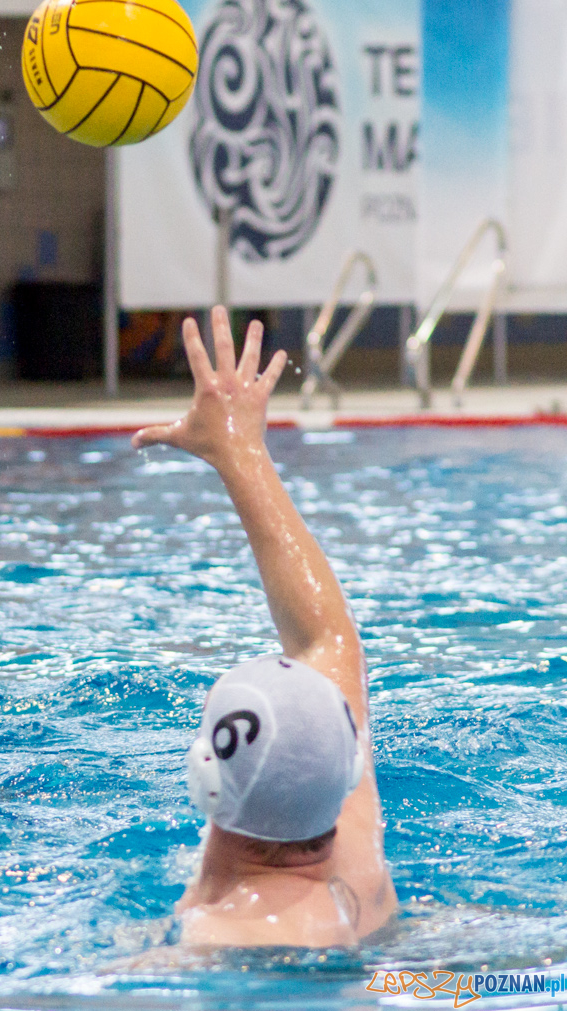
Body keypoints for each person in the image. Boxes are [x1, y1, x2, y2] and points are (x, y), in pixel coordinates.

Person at [132, 306, 397, 946]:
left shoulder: (222, 939)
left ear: (203, 774)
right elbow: (327, 640)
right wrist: (241, 451)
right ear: (349, 770)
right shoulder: (356, 857)